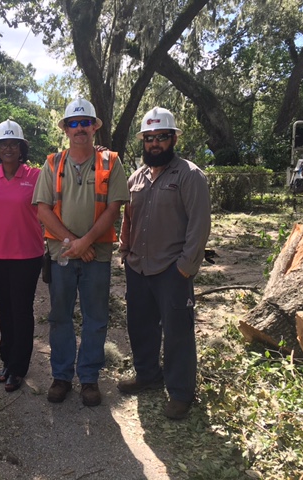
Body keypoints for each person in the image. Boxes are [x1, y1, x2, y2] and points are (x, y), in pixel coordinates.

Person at [32, 97, 129, 406]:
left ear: (94, 127)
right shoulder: (52, 163)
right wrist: (74, 243)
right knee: (60, 316)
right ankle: (61, 377)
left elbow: (114, 209)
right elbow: (43, 210)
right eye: (73, 124)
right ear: (66, 129)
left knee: (95, 318)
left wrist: (86, 242)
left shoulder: (111, 162)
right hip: (62, 254)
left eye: (85, 123)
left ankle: (88, 378)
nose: (79, 129)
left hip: (96, 256)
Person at [118, 107, 211, 420]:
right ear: (143, 141)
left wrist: (186, 265)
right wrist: (124, 250)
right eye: (149, 138)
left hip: (172, 269)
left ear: (173, 139)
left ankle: (181, 392)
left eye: (161, 137)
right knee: (139, 326)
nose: (154, 144)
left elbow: (199, 224)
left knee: (177, 333)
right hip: (138, 267)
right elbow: (127, 217)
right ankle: (147, 375)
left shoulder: (189, 175)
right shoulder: (136, 177)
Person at [0, 120, 43, 393]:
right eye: (3, 144)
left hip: (27, 256)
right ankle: (7, 361)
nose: (8, 148)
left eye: (13, 143)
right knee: (5, 310)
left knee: (22, 311)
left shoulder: (36, 177)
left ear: (21, 148)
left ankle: (19, 367)